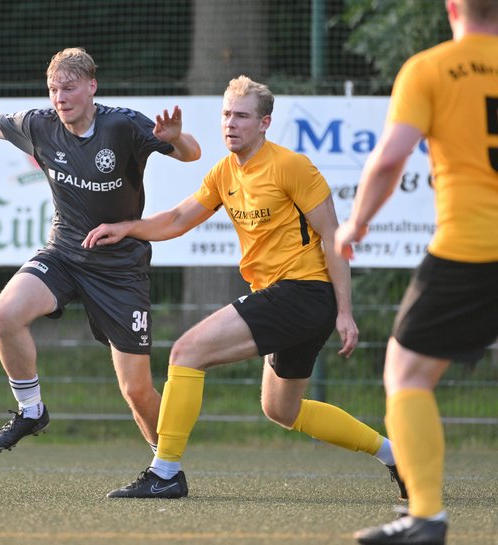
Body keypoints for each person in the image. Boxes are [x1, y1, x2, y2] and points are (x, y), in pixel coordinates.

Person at [83, 75, 406, 501]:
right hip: (293, 299)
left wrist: (345, 311)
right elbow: (178, 219)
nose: (230, 124)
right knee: (282, 409)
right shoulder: (224, 173)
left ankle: (165, 472)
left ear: (264, 123)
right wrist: (127, 227)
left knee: (186, 352)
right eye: (226, 115)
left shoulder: (291, 166)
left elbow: (333, 236)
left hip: (303, 292)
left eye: (241, 116)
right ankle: (395, 455)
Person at [0, 47, 201, 456]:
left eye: (69, 88)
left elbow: (192, 154)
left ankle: (166, 467)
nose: (60, 97)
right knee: (6, 313)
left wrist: (176, 138)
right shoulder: (39, 126)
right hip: (64, 255)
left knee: (137, 390)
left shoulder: (123, 126)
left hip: (119, 269)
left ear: (92, 87)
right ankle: (31, 410)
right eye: (54, 89)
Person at [334, 1, 498, 543]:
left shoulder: (430, 68)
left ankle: (425, 515)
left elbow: (389, 158)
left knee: (407, 375)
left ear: (452, 8)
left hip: (473, 248)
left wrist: (356, 223)